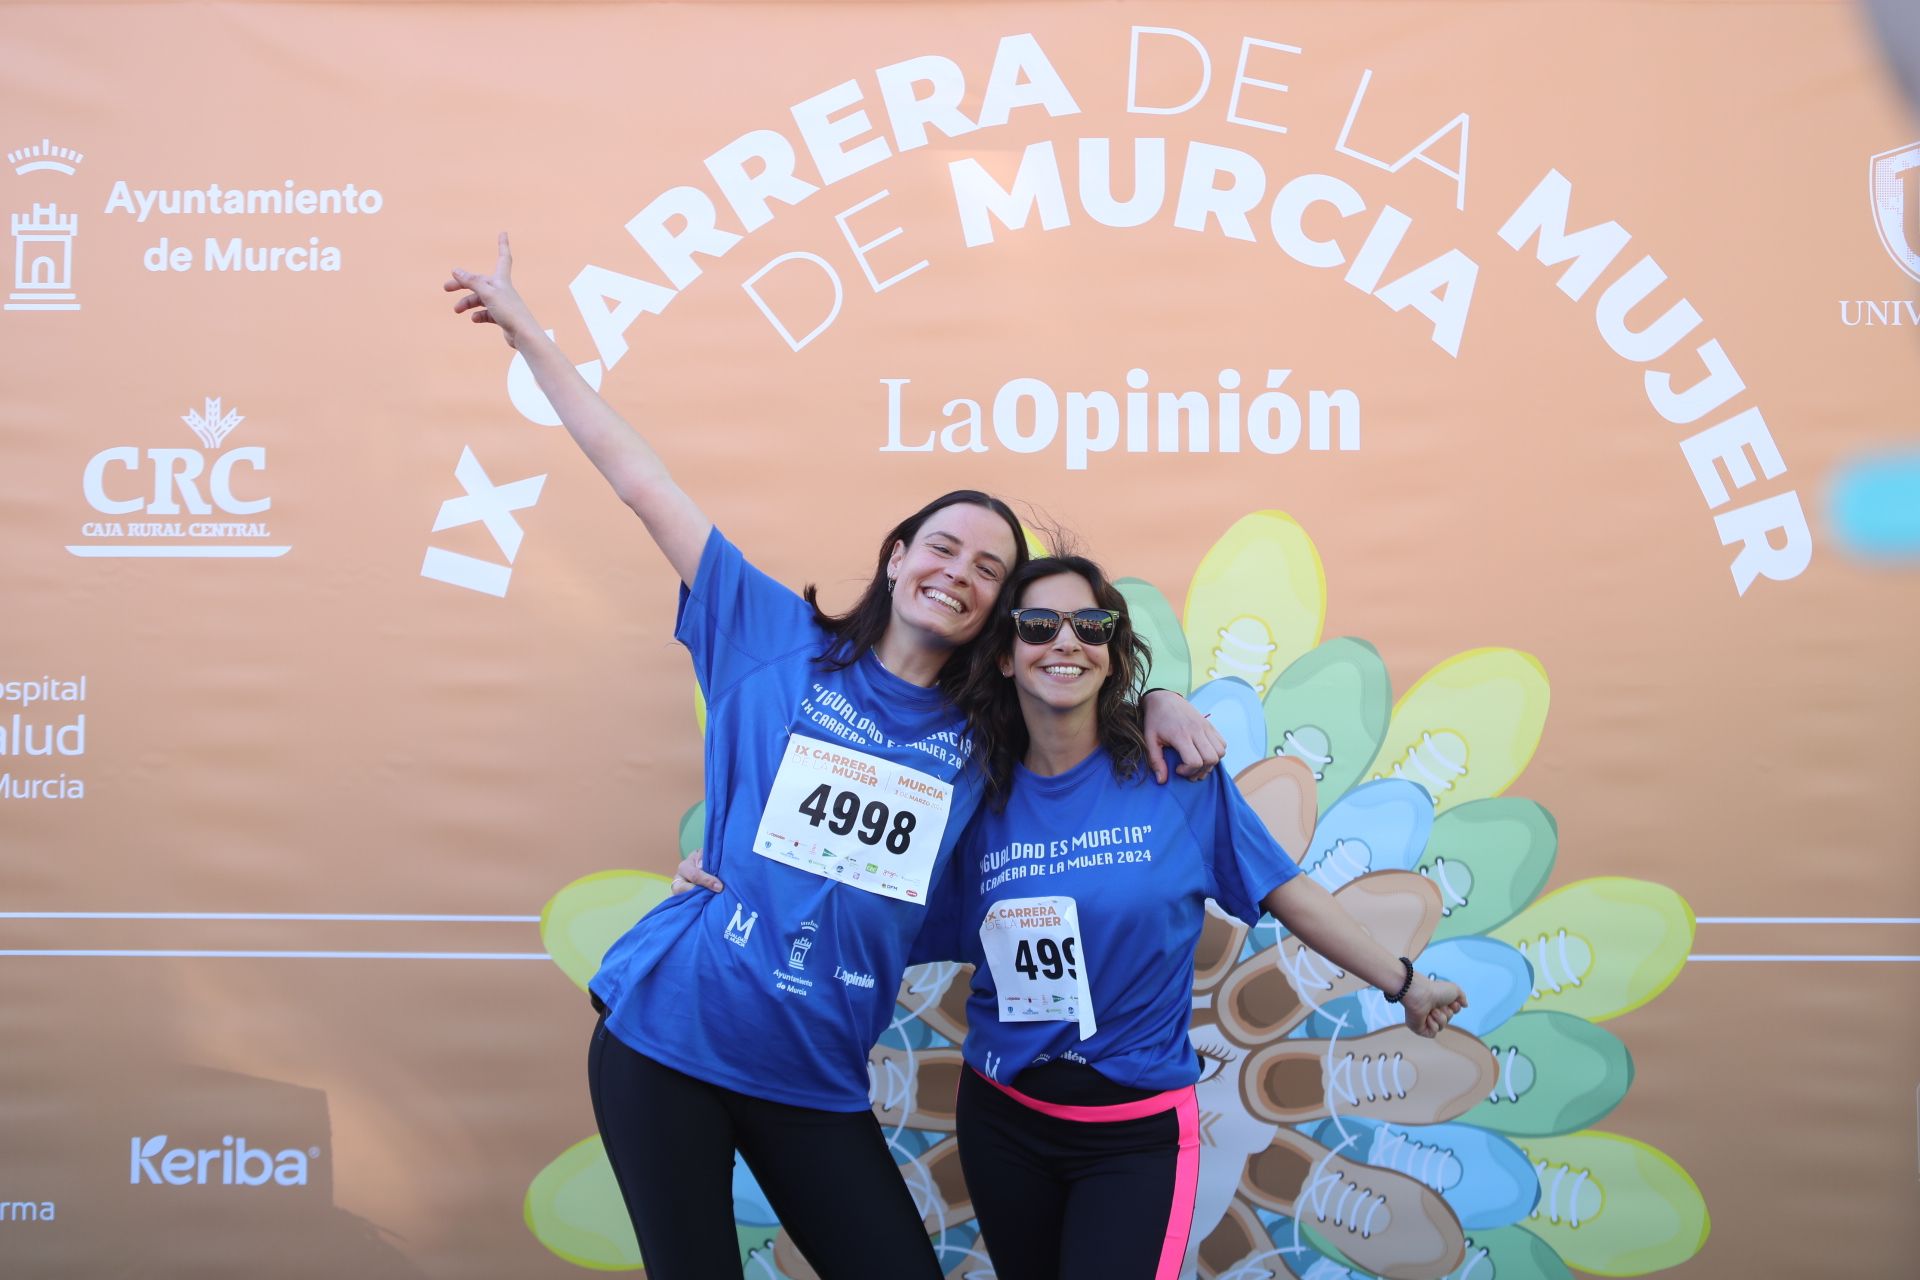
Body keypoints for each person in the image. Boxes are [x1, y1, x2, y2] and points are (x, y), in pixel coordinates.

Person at [443, 236, 1227, 1280]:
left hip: (813, 1074)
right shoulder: (769, 636)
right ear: (898, 555)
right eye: (942, 545)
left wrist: (1159, 697)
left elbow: (1072, 718)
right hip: (669, 1037)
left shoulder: (982, 740)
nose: (958, 571)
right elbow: (640, 479)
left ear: (998, 610)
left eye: (989, 569)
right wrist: (528, 330)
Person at [914, 553, 1468, 1280]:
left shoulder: (1174, 780)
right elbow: (863, 902)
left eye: (1090, 625)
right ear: (1007, 657)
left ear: (1113, 654)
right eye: (1039, 626)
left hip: (1131, 1141)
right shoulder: (972, 795)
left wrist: (1404, 982)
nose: (1066, 642)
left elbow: (1286, 888)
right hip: (1003, 1122)